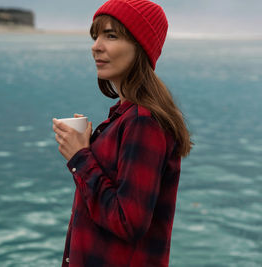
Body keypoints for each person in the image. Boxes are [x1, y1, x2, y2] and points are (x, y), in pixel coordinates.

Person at [52, 0, 192, 266]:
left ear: (141, 47)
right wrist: (86, 148)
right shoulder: (123, 116)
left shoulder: (143, 122)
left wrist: (80, 157)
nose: (96, 46)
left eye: (111, 35)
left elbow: (129, 223)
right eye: (96, 36)